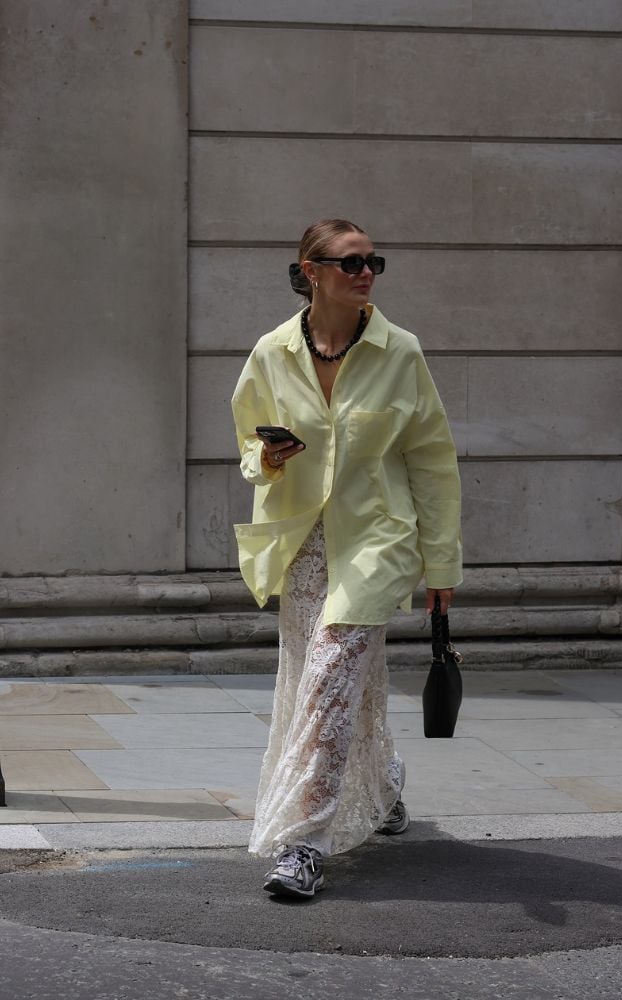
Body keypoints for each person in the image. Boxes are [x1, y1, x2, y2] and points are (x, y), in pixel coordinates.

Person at [231, 218, 462, 899]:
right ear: (310, 270)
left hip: (379, 539)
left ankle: (305, 843)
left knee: (328, 678)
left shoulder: (401, 352)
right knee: (332, 683)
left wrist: (441, 567)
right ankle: (384, 791)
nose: (366, 273)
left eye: (373, 262)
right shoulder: (273, 352)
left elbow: (433, 462)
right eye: (351, 262)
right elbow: (248, 441)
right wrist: (266, 455)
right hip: (303, 539)